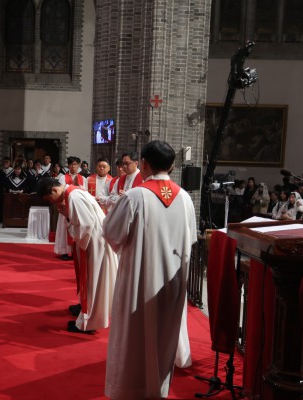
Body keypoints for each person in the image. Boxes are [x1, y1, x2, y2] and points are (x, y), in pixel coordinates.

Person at [103, 140, 197, 399]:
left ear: (143, 164)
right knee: (164, 335)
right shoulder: (185, 198)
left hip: (139, 280)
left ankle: (129, 390)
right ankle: (159, 389)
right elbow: (190, 239)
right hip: (172, 283)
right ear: (173, 166)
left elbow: (112, 233)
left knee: (134, 337)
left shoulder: (134, 196)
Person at [38, 178, 118, 334]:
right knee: (88, 279)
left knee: (92, 280)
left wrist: (68, 219)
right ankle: (84, 307)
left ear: (55, 190)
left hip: (93, 244)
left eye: (49, 199)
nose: (52, 203)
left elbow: (85, 226)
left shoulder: (74, 197)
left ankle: (88, 323)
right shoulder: (73, 193)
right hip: (92, 241)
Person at [54, 156, 86, 261]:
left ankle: (75, 252)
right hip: (65, 207)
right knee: (64, 229)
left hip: (78, 208)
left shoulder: (83, 179)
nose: (73, 166)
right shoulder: (63, 178)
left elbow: (85, 193)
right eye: (71, 164)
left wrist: (78, 186)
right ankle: (64, 251)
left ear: (79, 165)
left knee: (76, 229)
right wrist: (74, 186)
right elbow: (60, 191)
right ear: (68, 165)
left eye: (75, 164)